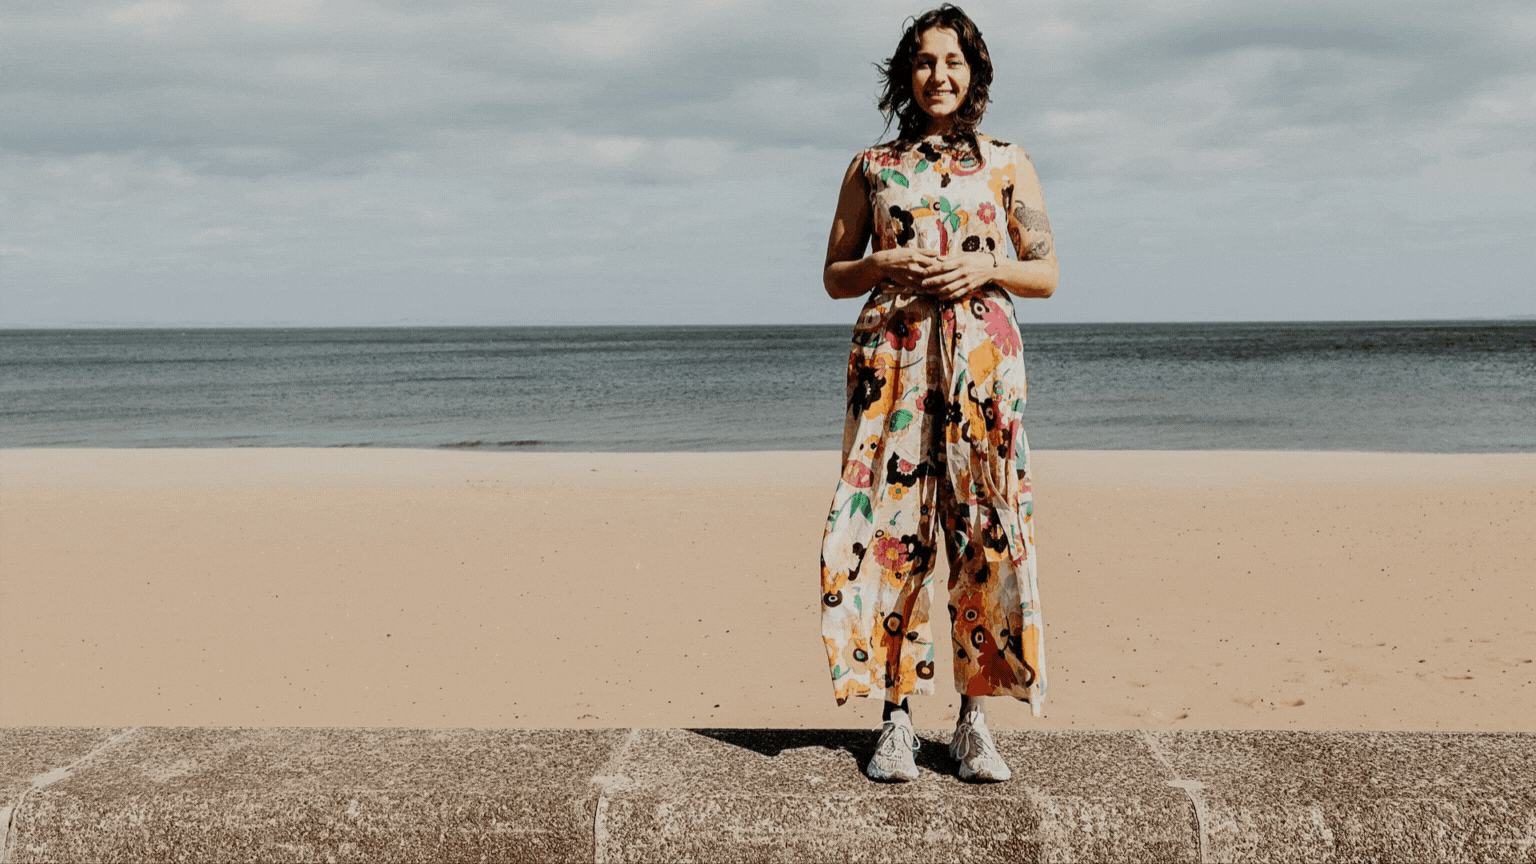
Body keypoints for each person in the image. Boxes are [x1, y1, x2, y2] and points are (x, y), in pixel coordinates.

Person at [819, 3, 1058, 783]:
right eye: (924, 61)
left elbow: (1046, 272)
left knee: (983, 528)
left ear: (974, 72)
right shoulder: (871, 167)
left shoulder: (1008, 161)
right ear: (906, 74)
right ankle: (894, 718)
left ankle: (974, 722)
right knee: (893, 529)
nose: (939, 75)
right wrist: (885, 265)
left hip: (983, 366)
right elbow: (833, 275)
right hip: (892, 363)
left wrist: (984, 269)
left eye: (953, 61)